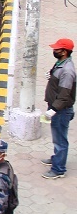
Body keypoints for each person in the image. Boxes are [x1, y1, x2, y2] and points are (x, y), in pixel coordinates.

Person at [42, 38, 75, 179]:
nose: (54, 51)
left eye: (57, 49)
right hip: (57, 108)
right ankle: (56, 159)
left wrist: (53, 110)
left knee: (60, 140)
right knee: (57, 138)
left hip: (61, 111)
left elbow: (64, 95)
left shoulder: (67, 71)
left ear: (65, 52)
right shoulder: (61, 64)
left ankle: (58, 169)